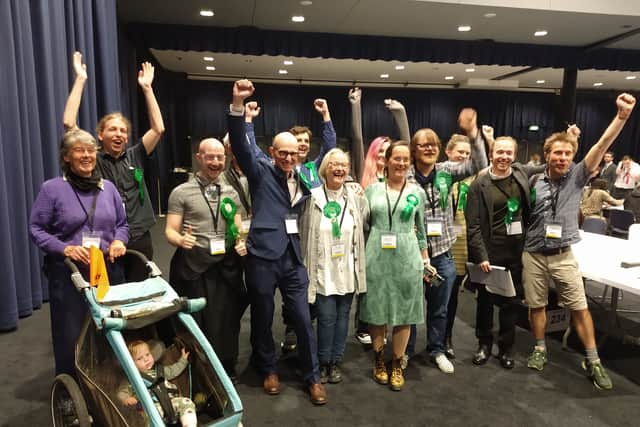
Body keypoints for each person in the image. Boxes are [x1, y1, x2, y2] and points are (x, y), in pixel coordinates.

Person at [523, 93, 636, 390]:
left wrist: (621, 117)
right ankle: (540, 348)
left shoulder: (577, 177)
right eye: (556, 153)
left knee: (580, 307)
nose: (562, 158)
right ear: (547, 154)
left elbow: (601, 145)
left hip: (563, 254)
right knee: (536, 306)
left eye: (567, 154)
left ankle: (593, 359)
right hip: (533, 253)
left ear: (573, 156)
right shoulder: (534, 179)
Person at [228, 79, 327, 405]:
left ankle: (312, 376)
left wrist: (326, 120)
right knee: (262, 313)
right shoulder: (260, 171)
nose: (288, 158)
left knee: (301, 316)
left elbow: (328, 151)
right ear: (272, 152)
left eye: (293, 153)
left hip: (292, 257)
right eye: (281, 153)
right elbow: (242, 147)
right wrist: (238, 106)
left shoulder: (306, 173)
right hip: (262, 256)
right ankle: (268, 367)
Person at [29, 129, 128, 376]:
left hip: (107, 270)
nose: (86, 155)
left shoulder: (109, 189)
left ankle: (109, 385)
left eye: (90, 150)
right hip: (70, 275)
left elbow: (122, 225)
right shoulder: (52, 189)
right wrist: (66, 248)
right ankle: (70, 389)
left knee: (109, 328)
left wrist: (119, 241)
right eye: (79, 150)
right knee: (71, 335)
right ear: (66, 157)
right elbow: (36, 229)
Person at [63, 51, 165, 280]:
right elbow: (69, 123)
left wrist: (147, 89)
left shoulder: (135, 155)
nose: (119, 134)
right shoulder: (92, 159)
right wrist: (80, 79)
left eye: (123, 131)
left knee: (140, 291)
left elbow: (158, 128)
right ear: (100, 135)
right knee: (109, 291)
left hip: (139, 234)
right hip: (107, 236)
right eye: (112, 129)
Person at [405, 107, 488, 374]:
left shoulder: (446, 171)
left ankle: (437, 349)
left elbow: (478, 164)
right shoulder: (404, 174)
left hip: (441, 253)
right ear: (414, 150)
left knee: (440, 307)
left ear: (439, 149)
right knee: (410, 306)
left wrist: (473, 133)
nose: (429, 149)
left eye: (433, 145)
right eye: (423, 145)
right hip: (412, 253)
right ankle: (404, 351)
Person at [165, 138, 248, 382]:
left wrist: (241, 239)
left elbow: (237, 225)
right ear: (199, 157)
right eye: (209, 157)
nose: (215, 162)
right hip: (193, 267)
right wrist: (180, 240)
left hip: (226, 267)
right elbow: (170, 230)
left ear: (225, 159)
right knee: (196, 322)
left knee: (226, 320)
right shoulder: (181, 192)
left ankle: (225, 365)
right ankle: (197, 369)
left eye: (219, 157)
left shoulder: (231, 190)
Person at [466, 136, 541, 369]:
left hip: (516, 252)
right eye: (500, 152)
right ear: (491, 154)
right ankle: (484, 344)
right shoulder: (479, 184)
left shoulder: (520, 174)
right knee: (485, 303)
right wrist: (482, 256)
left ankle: (506, 347)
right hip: (489, 252)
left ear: (515, 156)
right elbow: (474, 225)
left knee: (512, 303)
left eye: (509, 153)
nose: (504, 157)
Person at [360, 140, 429, 391]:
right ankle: (379, 360)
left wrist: (425, 260)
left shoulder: (417, 193)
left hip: (407, 258)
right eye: (396, 158)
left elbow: (420, 230)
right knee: (377, 309)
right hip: (376, 256)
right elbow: (363, 227)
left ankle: (397, 363)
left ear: (409, 163)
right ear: (386, 160)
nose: (401, 163)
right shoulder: (372, 191)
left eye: (405, 159)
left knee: (405, 313)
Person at [300, 148, 369, 384]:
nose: (339, 169)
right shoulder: (313, 197)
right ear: (325, 169)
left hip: (348, 269)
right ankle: (322, 362)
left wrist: (361, 191)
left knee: (343, 318)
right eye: (334, 164)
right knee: (327, 317)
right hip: (323, 270)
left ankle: (335, 361)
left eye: (343, 165)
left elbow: (366, 220)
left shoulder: (355, 198)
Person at [348, 87, 391, 345]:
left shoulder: (398, 178)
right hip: (366, 241)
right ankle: (362, 325)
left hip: (390, 241)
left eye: (389, 151)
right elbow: (356, 139)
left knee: (386, 286)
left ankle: (380, 325)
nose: (385, 156)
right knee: (366, 286)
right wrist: (355, 105)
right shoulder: (364, 176)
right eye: (381, 152)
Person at [117, 340, 197, 427]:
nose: (146, 359)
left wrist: (183, 360)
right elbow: (121, 392)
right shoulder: (132, 379)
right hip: (152, 408)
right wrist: (126, 399)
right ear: (131, 364)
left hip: (171, 402)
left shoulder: (160, 370)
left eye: (147, 354)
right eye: (139, 358)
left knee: (186, 402)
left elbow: (174, 370)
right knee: (150, 420)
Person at [443, 133, 473, 359]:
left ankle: (446, 338)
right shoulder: (440, 175)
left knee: (451, 297)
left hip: (460, 246)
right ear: (448, 152)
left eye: (467, 153)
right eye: (459, 152)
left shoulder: (473, 180)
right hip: (436, 243)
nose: (463, 156)